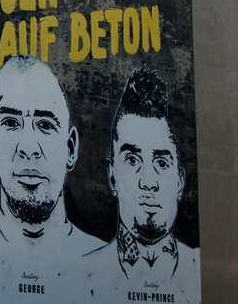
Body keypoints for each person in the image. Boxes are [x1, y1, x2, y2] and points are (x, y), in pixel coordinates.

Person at [0, 55, 103, 302]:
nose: (29, 147)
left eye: (45, 125)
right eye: (11, 122)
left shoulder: (104, 264)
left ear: (70, 148)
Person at [82, 66, 200, 303]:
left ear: (179, 182)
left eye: (162, 162)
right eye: (133, 160)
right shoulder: (81, 275)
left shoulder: (200, 270)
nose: (149, 182)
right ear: (112, 176)